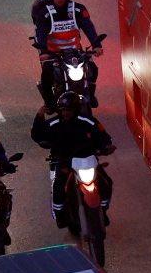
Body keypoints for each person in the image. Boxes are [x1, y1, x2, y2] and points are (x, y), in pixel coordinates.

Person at [30, 91, 114, 233]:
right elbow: (37, 136)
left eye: (69, 110)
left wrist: (106, 147)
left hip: (88, 161)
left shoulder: (88, 121)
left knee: (106, 183)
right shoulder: (53, 123)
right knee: (58, 187)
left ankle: (103, 210)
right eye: (63, 110)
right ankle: (60, 215)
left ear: (76, 109)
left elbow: (104, 137)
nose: (66, 113)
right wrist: (39, 117)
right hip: (65, 162)